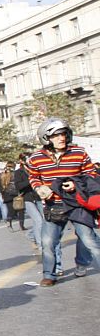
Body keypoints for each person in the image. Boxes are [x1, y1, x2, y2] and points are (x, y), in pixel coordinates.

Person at [27, 117, 100, 286]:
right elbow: (33, 176)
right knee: (48, 242)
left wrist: (76, 184)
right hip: (54, 205)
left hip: (77, 204)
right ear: (46, 138)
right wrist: (39, 188)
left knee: (88, 239)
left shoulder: (79, 153)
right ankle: (49, 274)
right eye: (57, 135)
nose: (62, 138)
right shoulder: (36, 158)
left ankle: (82, 264)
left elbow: (92, 175)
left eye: (64, 134)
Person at [14, 152, 43, 250]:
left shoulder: (36, 169)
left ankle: (31, 234)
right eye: (26, 159)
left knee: (42, 221)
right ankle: (40, 245)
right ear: (22, 161)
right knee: (38, 220)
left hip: (39, 197)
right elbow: (18, 186)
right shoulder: (19, 172)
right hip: (28, 198)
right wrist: (31, 180)